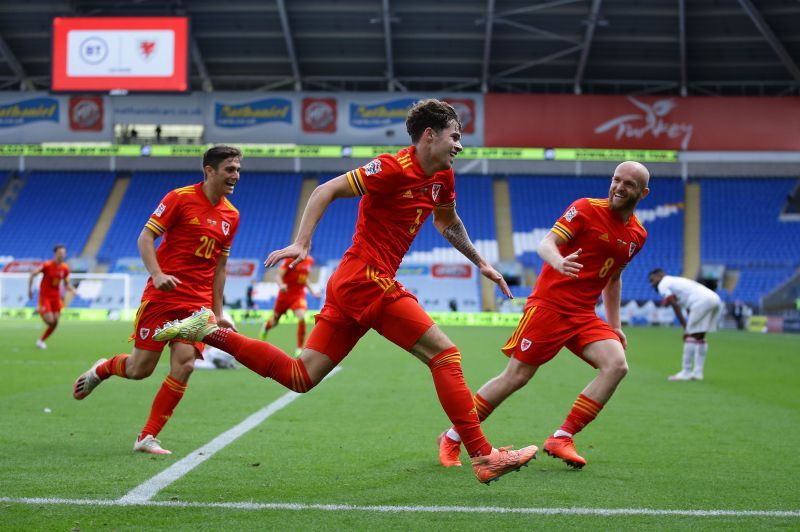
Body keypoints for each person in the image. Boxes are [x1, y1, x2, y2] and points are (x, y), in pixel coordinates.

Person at [153, 99, 538, 484]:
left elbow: (448, 221)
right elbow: (325, 190)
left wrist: (481, 262)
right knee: (445, 355)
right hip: (364, 278)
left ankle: (208, 331)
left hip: (356, 284)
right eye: (455, 136)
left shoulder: (443, 177)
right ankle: (483, 455)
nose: (459, 145)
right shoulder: (390, 167)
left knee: (300, 376)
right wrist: (302, 243)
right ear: (429, 136)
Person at [437, 161, 650, 470]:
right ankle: (453, 437)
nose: (619, 187)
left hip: (583, 314)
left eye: (628, 184)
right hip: (549, 306)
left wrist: (614, 326)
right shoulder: (586, 209)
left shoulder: (637, 235)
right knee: (516, 377)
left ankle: (562, 437)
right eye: (616, 179)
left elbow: (613, 278)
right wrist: (559, 262)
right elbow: (546, 243)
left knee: (616, 365)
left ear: (642, 193)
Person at [71, 145, 242, 455]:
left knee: (185, 364)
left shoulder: (232, 215)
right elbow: (145, 237)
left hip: (196, 306)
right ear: (209, 171)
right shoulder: (179, 198)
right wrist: (158, 274)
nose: (236, 175)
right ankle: (103, 368)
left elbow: (220, 267)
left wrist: (218, 312)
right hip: (163, 298)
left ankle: (147, 436)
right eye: (230, 169)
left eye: (238, 169)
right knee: (140, 369)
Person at [648, 269, 723, 381]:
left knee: (690, 336)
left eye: (652, 280)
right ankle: (698, 373)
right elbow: (687, 305)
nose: (652, 283)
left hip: (701, 301)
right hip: (714, 299)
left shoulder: (663, 283)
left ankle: (686, 372)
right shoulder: (676, 281)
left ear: (659, 275)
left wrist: (685, 327)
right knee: (700, 336)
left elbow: (674, 304)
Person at [259, 255, 320, 355]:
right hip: (284, 295)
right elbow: (278, 276)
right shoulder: (289, 260)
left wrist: (313, 292)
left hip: (298, 295)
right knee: (274, 322)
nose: (307, 247)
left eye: (309, 245)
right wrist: (281, 285)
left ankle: (299, 348)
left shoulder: (309, 260)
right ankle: (266, 327)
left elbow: (304, 279)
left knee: (301, 317)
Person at [28, 244, 76, 349]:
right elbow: (32, 274)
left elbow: (66, 283)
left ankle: (41, 341)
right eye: (60, 253)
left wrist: (73, 290)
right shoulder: (47, 265)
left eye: (63, 253)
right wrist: (30, 290)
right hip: (45, 297)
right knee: (50, 320)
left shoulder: (65, 268)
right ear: (55, 254)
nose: (62, 255)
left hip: (56, 298)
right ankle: (40, 309)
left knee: (55, 322)